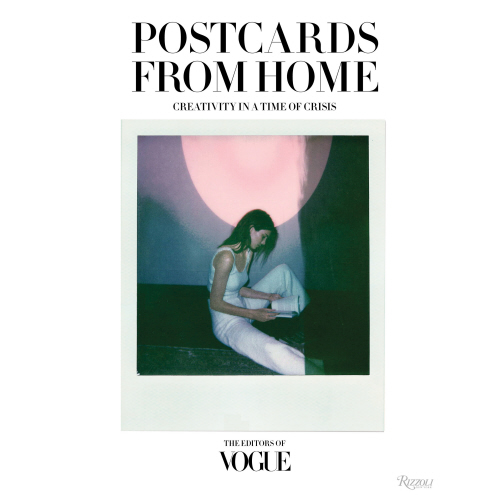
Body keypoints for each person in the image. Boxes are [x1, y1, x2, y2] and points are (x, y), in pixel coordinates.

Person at [207, 209, 310, 375]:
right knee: (271, 348)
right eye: (263, 237)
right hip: (226, 319)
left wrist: (268, 296)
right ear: (251, 229)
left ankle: (307, 321)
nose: (264, 243)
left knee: (283, 272)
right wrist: (253, 314)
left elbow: (238, 288)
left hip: (241, 303)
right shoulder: (225, 257)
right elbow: (215, 303)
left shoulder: (248, 252)